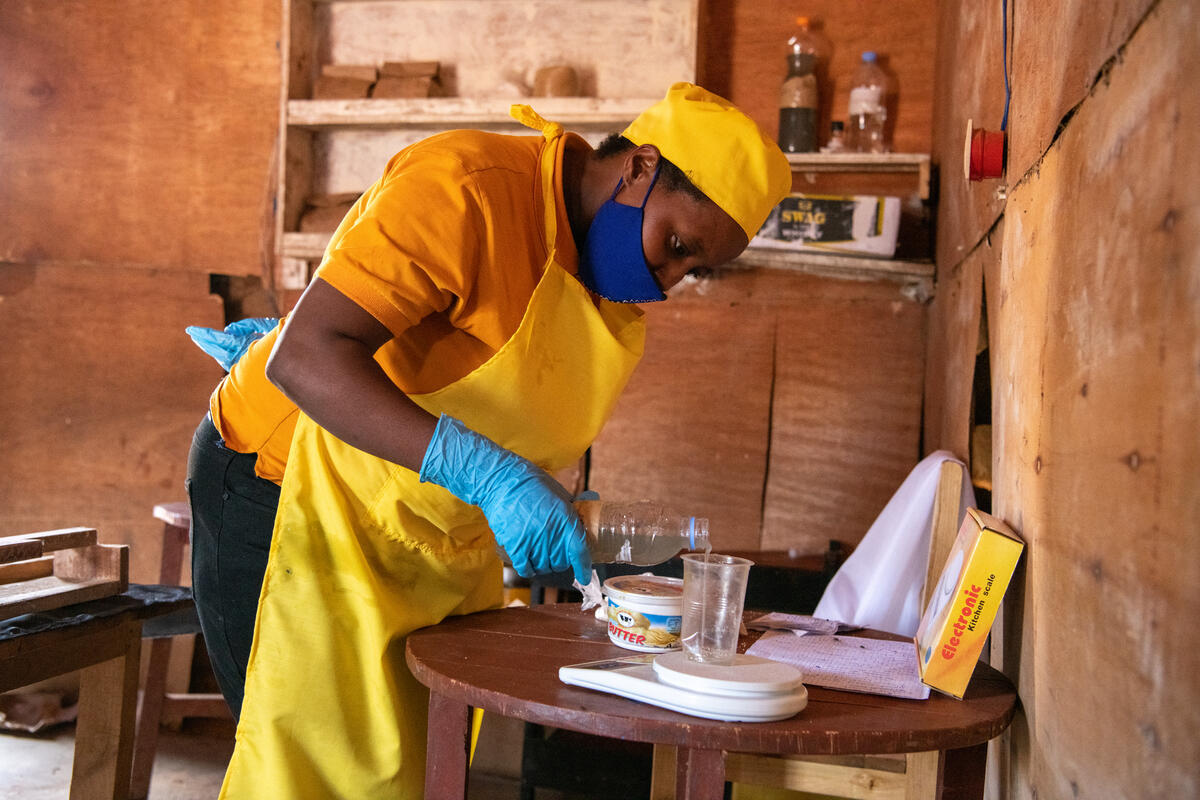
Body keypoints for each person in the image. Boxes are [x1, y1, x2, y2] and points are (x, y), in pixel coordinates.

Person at [185, 82, 790, 798]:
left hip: (415, 536)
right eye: (676, 245)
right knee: (304, 772)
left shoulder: (599, 287)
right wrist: (487, 476)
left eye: (695, 272)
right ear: (639, 167)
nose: (670, 282)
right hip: (286, 496)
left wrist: (542, 498)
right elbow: (307, 356)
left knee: (400, 776)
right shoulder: (469, 189)